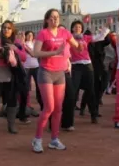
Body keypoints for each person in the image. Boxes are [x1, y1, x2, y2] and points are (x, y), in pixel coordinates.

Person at [31, 9, 83, 153]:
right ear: (47, 20)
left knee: (58, 108)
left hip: (60, 73)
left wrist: (80, 46)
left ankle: (54, 139)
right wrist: (54, 52)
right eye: (52, 18)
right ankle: (37, 139)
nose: (55, 20)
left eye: (57, 17)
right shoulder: (43, 33)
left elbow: (77, 48)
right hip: (46, 72)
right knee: (49, 107)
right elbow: (36, 52)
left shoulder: (65, 33)